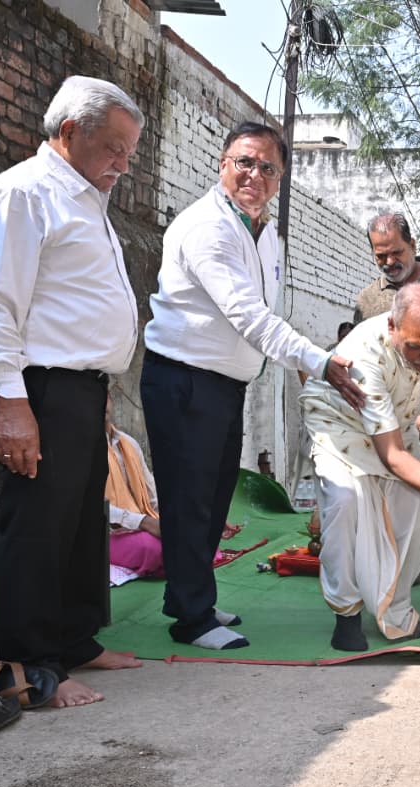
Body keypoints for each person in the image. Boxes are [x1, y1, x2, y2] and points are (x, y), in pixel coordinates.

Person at [140, 121, 362, 651]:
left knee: (215, 497)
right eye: (244, 162)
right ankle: (192, 620)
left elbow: (264, 314)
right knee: (189, 499)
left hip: (224, 384)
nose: (254, 175)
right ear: (222, 164)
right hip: (184, 378)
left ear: (280, 177)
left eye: (267, 168)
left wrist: (306, 359)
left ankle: (188, 597)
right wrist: (317, 360)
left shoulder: (264, 232)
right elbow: (249, 317)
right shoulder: (208, 229)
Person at [0, 75, 146, 708]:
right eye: (115, 148)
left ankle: (74, 641)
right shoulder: (23, 192)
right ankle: (30, 666)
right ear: (70, 132)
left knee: (80, 524)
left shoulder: (86, 196)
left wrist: (99, 385)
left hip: (80, 388)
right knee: (38, 525)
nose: (123, 165)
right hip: (38, 387)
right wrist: (11, 402)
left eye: (129, 152)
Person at [301, 285, 420, 651]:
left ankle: (396, 612)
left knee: (416, 511)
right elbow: (392, 456)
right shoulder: (365, 354)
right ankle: (346, 614)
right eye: (417, 349)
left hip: (396, 423)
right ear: (393, 326)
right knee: (345, 504)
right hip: (338, 421)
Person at [106, 395, 164, 582]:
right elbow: (87, 506)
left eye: (104, 396)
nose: (101, 403)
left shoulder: (127, 442)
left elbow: (151, 492)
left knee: (190, 534)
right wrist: (143, 522)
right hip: (105, 531)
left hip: (141, 521)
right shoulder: (78, 448)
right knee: (152, 548)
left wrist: (168, 521)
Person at [353, 213, 420, 323]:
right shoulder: (366, 301)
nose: (389, 262)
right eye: (381, 256)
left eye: (397, 253)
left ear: (412, 246)